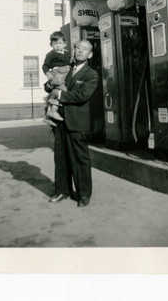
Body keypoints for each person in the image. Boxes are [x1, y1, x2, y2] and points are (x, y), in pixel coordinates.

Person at [45, 39, 98, 208]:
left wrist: (60, 95)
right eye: (78, 48)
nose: (80, 51)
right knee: (60, 157)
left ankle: (84, 195)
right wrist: (49, 84)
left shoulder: (91, 74)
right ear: (74, 52)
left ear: (89, 54)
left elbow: (82, 96)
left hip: (77, 122)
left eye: (84, 49)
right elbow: (50, 85)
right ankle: (62, 191)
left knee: (80, 158)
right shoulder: (67, 70)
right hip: (60, 121)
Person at [42, 31, 72, 127]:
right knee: (62, 91)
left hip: (65, 72)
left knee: (58, 91)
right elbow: (45, 66)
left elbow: (71, 62)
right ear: (51, 44)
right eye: (55, 44)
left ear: (65, 44)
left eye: (60, 43)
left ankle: (50, 113)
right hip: (57, 73)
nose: (58, 46)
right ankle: (52, 110)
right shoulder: (51, 54)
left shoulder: (67, 53)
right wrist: (48, 75)